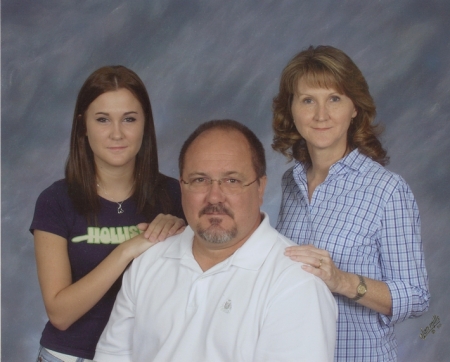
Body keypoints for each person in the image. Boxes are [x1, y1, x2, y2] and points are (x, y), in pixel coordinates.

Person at [94, 120, 338, 362]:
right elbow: (112, 356)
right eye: (200, 180)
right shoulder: (149, 260)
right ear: (182, 187)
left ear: (260, 188)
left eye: (232, 180)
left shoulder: (296, 283)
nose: (214, 197)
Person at [272, 45, 430, 361]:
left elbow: (415, 297)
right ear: (291, 109)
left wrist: (341, 280)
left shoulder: (387, 190)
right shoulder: (290, 184)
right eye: (307, 100)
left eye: (334, 99)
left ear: (354, 108)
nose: (321, 115)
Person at [30, 66, 186, 361]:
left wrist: (181, 232)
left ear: (145, 124)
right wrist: (128, 249)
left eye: (129, 119)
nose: (117, 133)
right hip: (68, 356)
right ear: (83, 126)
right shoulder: (55, 201)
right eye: (103, 120)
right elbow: (60, 313)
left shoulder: (175, 195)